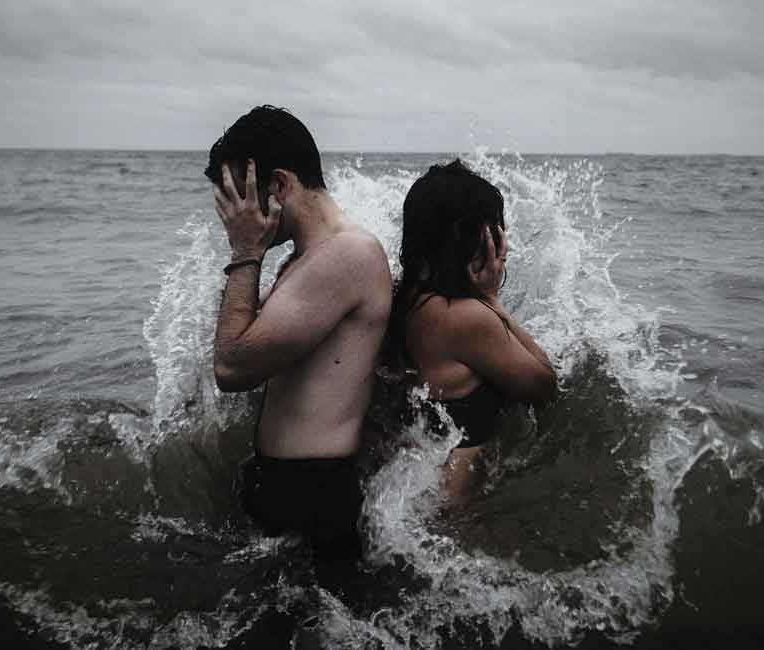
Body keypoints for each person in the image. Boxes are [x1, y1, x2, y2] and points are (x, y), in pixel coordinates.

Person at [205, 106, 392, 561]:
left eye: (240, 198)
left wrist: (246, 251)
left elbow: (231, 367)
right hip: (293, 491)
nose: (232, 216)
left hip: (314, 501)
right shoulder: (308, 257)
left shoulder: (349, 253)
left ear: (279, 185)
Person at [389, 159, 557, 502]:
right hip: (453, 519)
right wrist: (492, 300)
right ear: (466, 241)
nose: (502, 245)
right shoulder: (464, 318)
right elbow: (545, 386)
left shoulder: (403, 299)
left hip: (416, 502)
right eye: (493, 231)